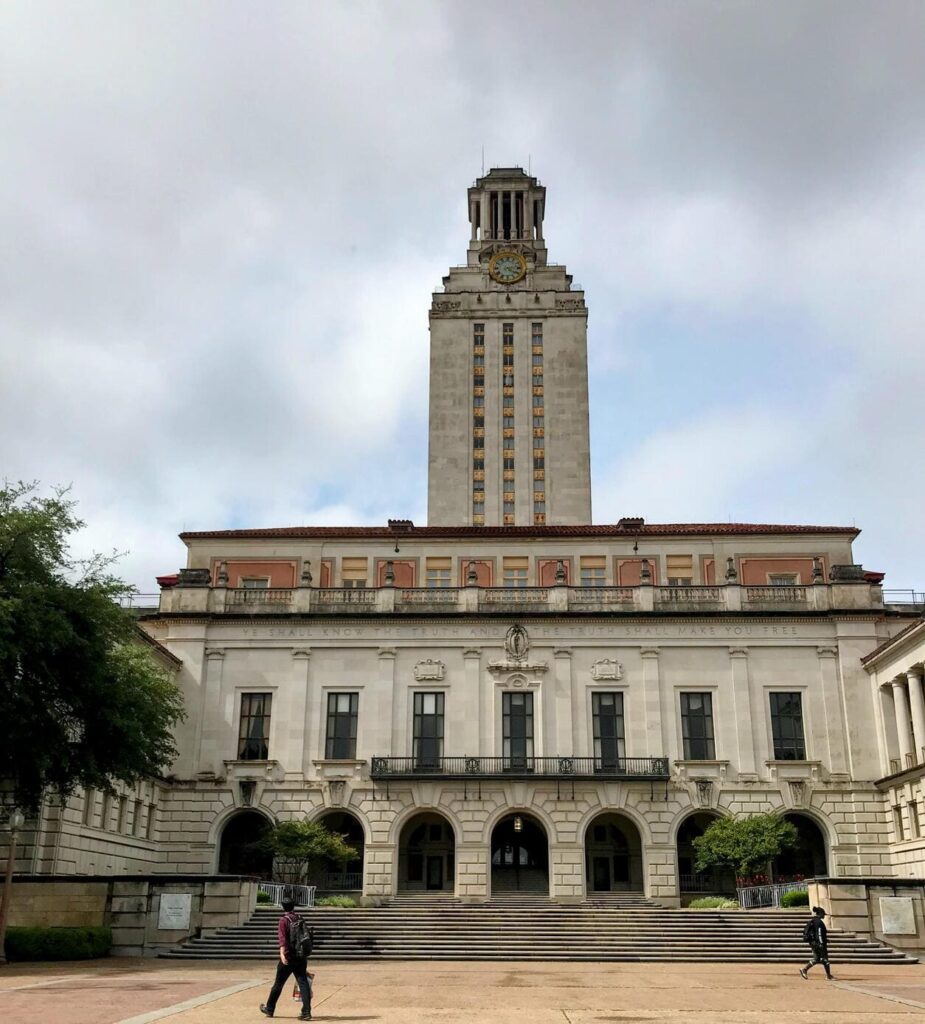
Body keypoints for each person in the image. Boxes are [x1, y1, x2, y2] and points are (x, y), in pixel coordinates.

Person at [260, 897, 313, 1019]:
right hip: (301, 955)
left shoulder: (284, 920)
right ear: (293, 906)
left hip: (289, 956)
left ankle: (270, 1008)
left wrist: (282, 954)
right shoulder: (300, 918)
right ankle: (306, 1012)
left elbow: (282, 939)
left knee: (278, 983)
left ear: (283, 907)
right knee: (303, 982)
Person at [800, 905, 834, 980]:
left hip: (814, 943)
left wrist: (825, 939)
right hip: (818, 944)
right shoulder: (819, 922)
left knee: (817, 959)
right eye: (823, 914)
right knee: (825, 960)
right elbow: (819, 934)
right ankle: (828, 976)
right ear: (820, 913)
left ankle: (804, 970)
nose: (824, 915)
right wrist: (821, 943)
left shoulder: (813, 921)